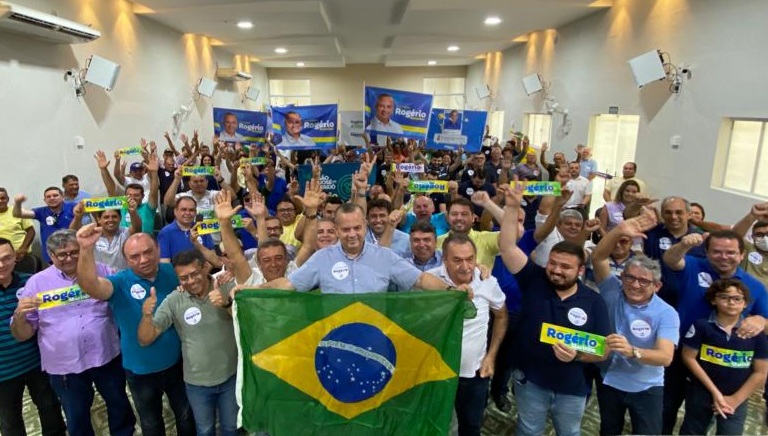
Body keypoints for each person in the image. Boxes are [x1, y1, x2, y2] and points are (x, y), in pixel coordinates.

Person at [498, 183, 610, 436]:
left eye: (565, 267)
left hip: (572, 387)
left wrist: (577, 356)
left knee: (569, 432)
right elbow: (507, 248)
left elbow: (603, 350)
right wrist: (512, 206)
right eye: (553, 263)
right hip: (530, 382)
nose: (557, 270)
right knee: (529, 431)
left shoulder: (594, 301)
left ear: (580, 271)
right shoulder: (534, 279)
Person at [11, 230, 135, 436]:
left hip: (106, 355)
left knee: (119, 405)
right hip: (65, 365)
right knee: (76, 416)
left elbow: (124, 303)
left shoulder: (102, 270)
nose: (69, 258)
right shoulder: (36, 283)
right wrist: (19, 315)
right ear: (51, 256)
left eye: (74, 252)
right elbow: (23, 334)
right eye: (62, 254)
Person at [76, 227, 196, 435]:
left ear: (158, 249)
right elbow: (90, 286)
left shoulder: (172, 272)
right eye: (135, 256)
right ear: (126, 260)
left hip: (178, 363)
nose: (143, 260)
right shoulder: (119, 282)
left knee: (186, 417)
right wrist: (85, 249)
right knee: (151, 424)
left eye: (148, 252)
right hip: (141, 370)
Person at [661, 229, 768, 434]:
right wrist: (683, 245)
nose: (724, 257)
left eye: (730, 252)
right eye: (717, 251)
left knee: (706, 415)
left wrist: (761, 320)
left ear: (742, 255)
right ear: (707, 252)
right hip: (681, 353)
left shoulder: (755, 286)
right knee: (666, 408)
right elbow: (670, 260)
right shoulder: (693, 265)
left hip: (720, 364)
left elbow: (766, 321)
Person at [592, 212, 679, 435]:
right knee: (608, 430)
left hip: (646, 386)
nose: (635, 285)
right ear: (622, 277)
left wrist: (632, 351)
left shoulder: (666, 313)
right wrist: (618, 231)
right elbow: (598, 258)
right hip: (609, 380)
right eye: (630, 278)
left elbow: (665, 357)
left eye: (643, 281)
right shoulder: (612, 289)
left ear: (657, 286)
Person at [138, 250, 238, 436]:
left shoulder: (226, 287)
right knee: (204, 430)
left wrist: (226, 303)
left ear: (205, 267)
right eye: (184, 278)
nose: (190, 281)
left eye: (194, 274)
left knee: (231, 428)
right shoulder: (174, 300)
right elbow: (145, 339)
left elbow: (246, 323)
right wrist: (146, 316)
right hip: (197, 383)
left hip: (231, 376)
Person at [258, 203, 453, 293]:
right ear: (336, 230)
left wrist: (451, 290)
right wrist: (251, 290)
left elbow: (420, 279)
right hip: (335, 341)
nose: (352, 234)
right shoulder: (321, 258)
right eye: (346, 229)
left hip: (374, 341)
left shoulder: (385, 256)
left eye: (357, 228)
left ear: (365, 226)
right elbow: (288, 285)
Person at [427, 233, 507, 436]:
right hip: (437, 371)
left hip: (474, 373)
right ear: (444, 259)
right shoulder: (429, 280)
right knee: (433, 423)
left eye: (470, 259)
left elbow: (501, 316)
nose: (465, 266)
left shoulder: (488, 282)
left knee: (471, 425)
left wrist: (491, 356)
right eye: (457, 260)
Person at [679, 279, 768, 435]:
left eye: (737, 298)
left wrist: (735, 399)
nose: (731, 302)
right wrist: (715, 393)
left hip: (737, 398)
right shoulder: (702, 326)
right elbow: (688, 357)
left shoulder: (756, 334)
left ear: (745, 303)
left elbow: (760, 372)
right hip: (701, 393)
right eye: (724, 297)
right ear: (714, 300)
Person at [0, 237, 66, 436]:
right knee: (10, 421)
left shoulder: (32, 282)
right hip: (3, 371)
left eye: (6, 258)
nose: (1, 265)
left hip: (38, 362)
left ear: (15, 257)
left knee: (51, 409)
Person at [95, 149, 160, 233]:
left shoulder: (148, 208)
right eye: (129, 195)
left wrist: (154, 173)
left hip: (144, 240)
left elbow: (153, 192)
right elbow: (111, 190)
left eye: (136, 195)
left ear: (143, 196)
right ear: (125, 196)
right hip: (124, 241)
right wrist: (104, 170)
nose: (132, 198)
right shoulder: (121, 208)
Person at [69, 198, 142, 271]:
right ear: (99, 219)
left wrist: (133, 212)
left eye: (114, 217)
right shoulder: (92, 235)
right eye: (106, 217)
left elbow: (137, 228)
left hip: (122, 277)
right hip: (98, 277)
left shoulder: (125, 233)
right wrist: (77, 217)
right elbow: (73, 232)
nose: (110, 220)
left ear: (120, 218)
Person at [12, 188, 76, 264]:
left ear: (63, 197)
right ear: (45, 200)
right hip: (52, 256)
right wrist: (18, 202)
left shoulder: (72, 207)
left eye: (55, 195)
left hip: (72, 253)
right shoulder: (41, 211)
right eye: (48, 197)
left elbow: (90, 206)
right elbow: (17, 214)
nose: (52, 198)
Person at [437, 197, 500, 269]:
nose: (459, 218)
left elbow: (510, 235)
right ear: (447, 218)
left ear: (473, 218)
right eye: (454, 214)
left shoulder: (487, 239)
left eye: (464, 214)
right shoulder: (436, 242)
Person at [157, 196, 214, 262]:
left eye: (191, 210)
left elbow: (213, 257)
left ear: (195, 212)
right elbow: (165, 263)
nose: (187, 213)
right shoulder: (165, 233)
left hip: (203, 268)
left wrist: (204, 269)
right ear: (175, 211)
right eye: (184, 210)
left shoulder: (202, 228)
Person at [0, 188, 35, 262]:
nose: (0, 201)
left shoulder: (17, 211)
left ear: (8, 199)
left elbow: (31, 231)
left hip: (19, 255)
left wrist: (23, 249)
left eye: (3, 198)